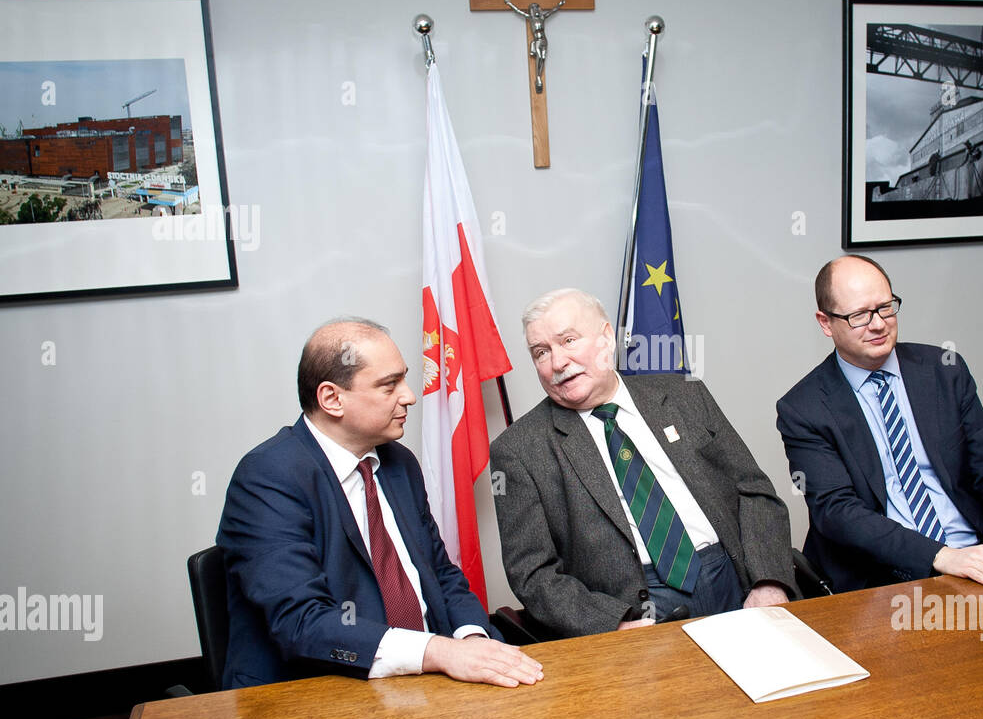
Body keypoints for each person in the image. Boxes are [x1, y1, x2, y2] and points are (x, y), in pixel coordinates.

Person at [217, 318, 543, 690]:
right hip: (314, 693)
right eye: (390, 385)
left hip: (426, 683)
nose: (409, 396)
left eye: (403, 379)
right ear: (331, 399)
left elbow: (441, 573)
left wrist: (471, 641)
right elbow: (302, 623)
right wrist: (440, 652)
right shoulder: (268, 476)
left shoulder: (399, 463)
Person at [490, 289, 797, 637]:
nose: (557, 362)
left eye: (569, 340)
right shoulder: (519, 449)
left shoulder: (683, 395)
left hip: (732, 577)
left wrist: (768, 582)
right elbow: (532, 573)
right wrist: (614, 624)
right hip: (636, 611)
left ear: (606, 338)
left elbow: (753, 492)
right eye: (541, 352)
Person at [776, 256, 983, 592]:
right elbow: (838, 512)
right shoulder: (804, 408)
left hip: (976, 555)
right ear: (826, 323)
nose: (878, 324)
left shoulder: (943, 371)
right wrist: (940, 556)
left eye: (885, 308)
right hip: (880, 577)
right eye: (860, 315)